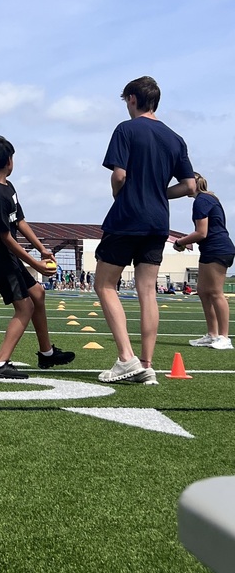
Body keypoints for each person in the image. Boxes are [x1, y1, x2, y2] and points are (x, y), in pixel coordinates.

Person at [94, 76, 196, 385]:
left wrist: (118, 193)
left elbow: (120, 176)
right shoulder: (175, 138)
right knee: (147, 291)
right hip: (157, 222)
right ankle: (147, 364)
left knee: (105, 285)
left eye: (126, 100)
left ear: (133, 99)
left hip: (127, 217)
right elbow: (190, 186)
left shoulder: (126, 129)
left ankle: (126, 359)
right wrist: (158, 193)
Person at [0, 136, 73, 379]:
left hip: (6, 254)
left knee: (37, 293)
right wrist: (35, 263)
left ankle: (47, 353)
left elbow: (19, 221)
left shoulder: (8, 187)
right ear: (9, 161)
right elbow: (6, 237)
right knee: (24, 307)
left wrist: (41, 249)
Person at [174, 172, 233, 350]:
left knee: (215, 292)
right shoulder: (207, 199)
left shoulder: (202, 201)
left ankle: (224, 337)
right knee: (203, 291)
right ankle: (212, 334)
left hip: (218, 249)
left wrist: (180, 242)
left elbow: (202, 232)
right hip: (210, 249)